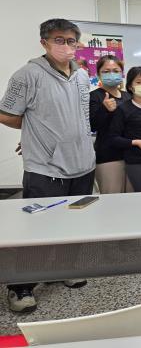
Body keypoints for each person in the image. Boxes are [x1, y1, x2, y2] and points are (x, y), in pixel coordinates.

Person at [0, 18, 96, 313]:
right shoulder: (27, 75)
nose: (65, 45)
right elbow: (6, 113)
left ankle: (64, 269)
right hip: (45, 168)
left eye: (71, 40)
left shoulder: (82, 76)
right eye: (58, 40)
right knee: (37, 228)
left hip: (82, 164)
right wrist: (35, 133)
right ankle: (21, 286)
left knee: (73, 224)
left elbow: (80, 117)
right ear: (44, 42)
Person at [90, 55, 133, 193]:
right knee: (113, 199)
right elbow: (92, 125)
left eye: (116, 71)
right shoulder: (94, 96)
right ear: (98, 74)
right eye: (106, 71)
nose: (111, 74)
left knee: (134, 199)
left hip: (132, 155)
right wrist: (104, 109)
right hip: (109, 157)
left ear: (122, 73)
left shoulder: (128, 96)